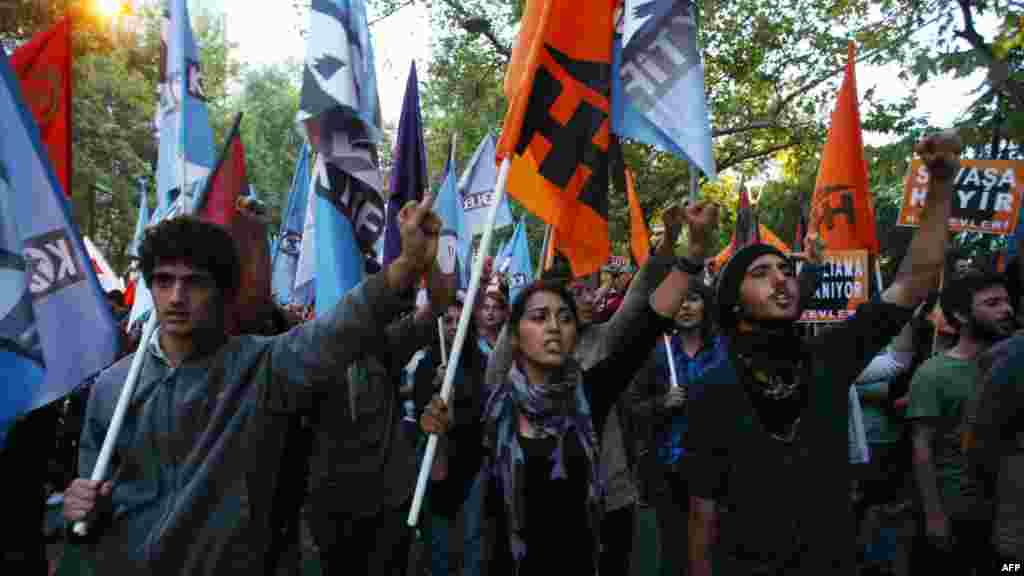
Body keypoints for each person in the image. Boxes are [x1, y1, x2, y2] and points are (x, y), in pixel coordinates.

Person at [62, 196, 444, 575]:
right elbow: (93, 499)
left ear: (221, 292)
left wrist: (408, 265)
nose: (177, 297)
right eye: (164, 281)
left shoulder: (261, 366)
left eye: (194, 283)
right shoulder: (113, 386)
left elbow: (341, 328)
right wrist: (80, 507)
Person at [685, 131, 961, 576]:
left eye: (786, 270)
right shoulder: (712, 386)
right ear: (733, 303)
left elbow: (911, 284)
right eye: (760, 273)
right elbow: (703, 512)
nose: (782, 279)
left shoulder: (829, 354)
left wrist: (942, 185)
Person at [422, 199, 719, 575]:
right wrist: (440, 438)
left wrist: (692, 252)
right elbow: (446, 498)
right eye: (539, 316)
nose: (553, 326)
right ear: (514, 337)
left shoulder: (589, 393)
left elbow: (649, 323)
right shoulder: (490, 411)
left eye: (564, 317)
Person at [907, 270, 1015, 573]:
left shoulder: (1014, 367)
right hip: (957, 515)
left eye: (1007, 301)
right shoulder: (933, 374)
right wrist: (934, 516)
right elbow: (922, 447)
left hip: (1007, 516)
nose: (1006, 310)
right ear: (960, 315)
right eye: (992, 303)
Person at [629, 279, 726, 575]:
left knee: (714, 549)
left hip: (718, 468)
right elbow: (632, 409)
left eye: (693, 299)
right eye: (680, 300)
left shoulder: (723, 350)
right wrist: (662, 404)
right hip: (669, 468)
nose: (685, 306)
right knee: (674, 550)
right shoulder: (656, 353)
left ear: (705, 304)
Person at [413, 291, 489, 576]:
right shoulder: (427, 364)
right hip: (437, 464)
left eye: (460, 319)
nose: (454, 325)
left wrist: (457, 407)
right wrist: (436, 387)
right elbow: (422, 409)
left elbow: (484, 409)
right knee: (439, 541)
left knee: (472, 539)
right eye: (448, 320)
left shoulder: (480, 362)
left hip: (471, 463)